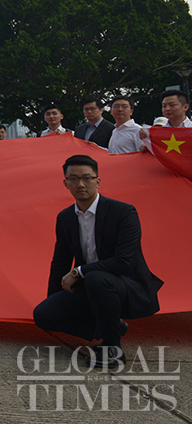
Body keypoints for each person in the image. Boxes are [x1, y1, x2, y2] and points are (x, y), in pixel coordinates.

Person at [33, 155, 163, 368]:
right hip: (91, 286)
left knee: (96, 278)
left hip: (127, 285)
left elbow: (123, 262)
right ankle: (111, 327)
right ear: (65, 183)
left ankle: (112, 349)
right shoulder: (65, 217)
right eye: (73, 179)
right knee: (43, 315)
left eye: (87, 178)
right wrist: (55, 300)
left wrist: (78, 271)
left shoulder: (123, 212)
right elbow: (60, 261)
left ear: (98, 181)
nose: (80, 184)